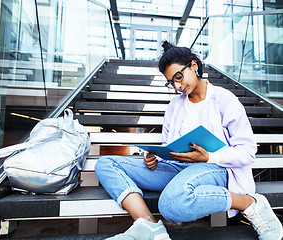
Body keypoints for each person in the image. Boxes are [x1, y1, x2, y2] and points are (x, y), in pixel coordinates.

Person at [95, 41, 283, 240]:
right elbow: (168, 145)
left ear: (194, 65)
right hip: (178, 167)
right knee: (106, 164)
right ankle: (148, 226)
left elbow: (247, 151)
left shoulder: (224, 100)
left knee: (171, 204)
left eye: (178, 77)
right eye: (171, 82)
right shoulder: (174, 106)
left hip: (216, 168)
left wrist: (209, 156)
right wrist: (156, 158)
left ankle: (249, 203)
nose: (177, 86)